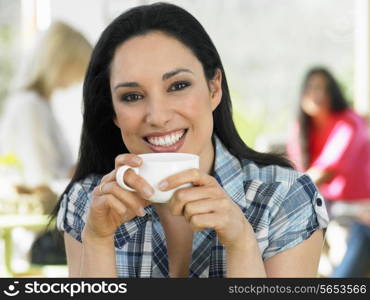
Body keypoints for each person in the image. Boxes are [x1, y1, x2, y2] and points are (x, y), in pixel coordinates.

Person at [54, 3, 328, 278]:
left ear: (214, 88)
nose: (158, 117)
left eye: (178, 86)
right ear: (113, 112)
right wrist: (98, 241)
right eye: (132, 96)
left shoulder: (284, 198)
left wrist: (243, 244)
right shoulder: (86, 202)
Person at [287, 67, 370, 277]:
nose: (317, 95)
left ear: (334, 93)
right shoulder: (301, 129)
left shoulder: (349, 123)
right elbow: (299, 176)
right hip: (322, 208)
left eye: (323, 89)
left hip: (357, 208)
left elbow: (326, 171)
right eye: (311, 88)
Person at [0, 21, 92, 192]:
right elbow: (39, 177)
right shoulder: (30, 105)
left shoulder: (40, 104)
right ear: (62, 64)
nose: (79, 79)